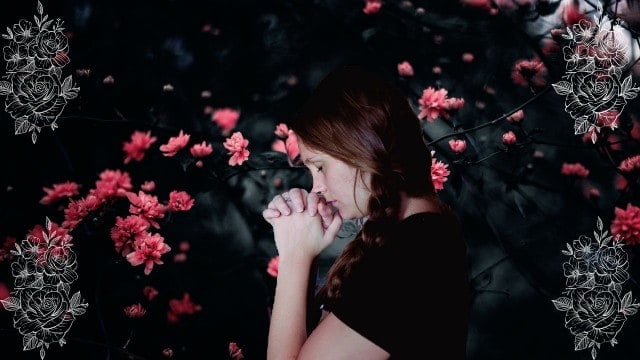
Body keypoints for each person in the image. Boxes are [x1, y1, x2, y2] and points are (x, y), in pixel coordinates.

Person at [262, 65, 470, 359]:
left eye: (319, 167)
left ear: (361, 149)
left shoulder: (412, 253)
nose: (316, 188)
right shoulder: (421, 237)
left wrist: (295, 257)